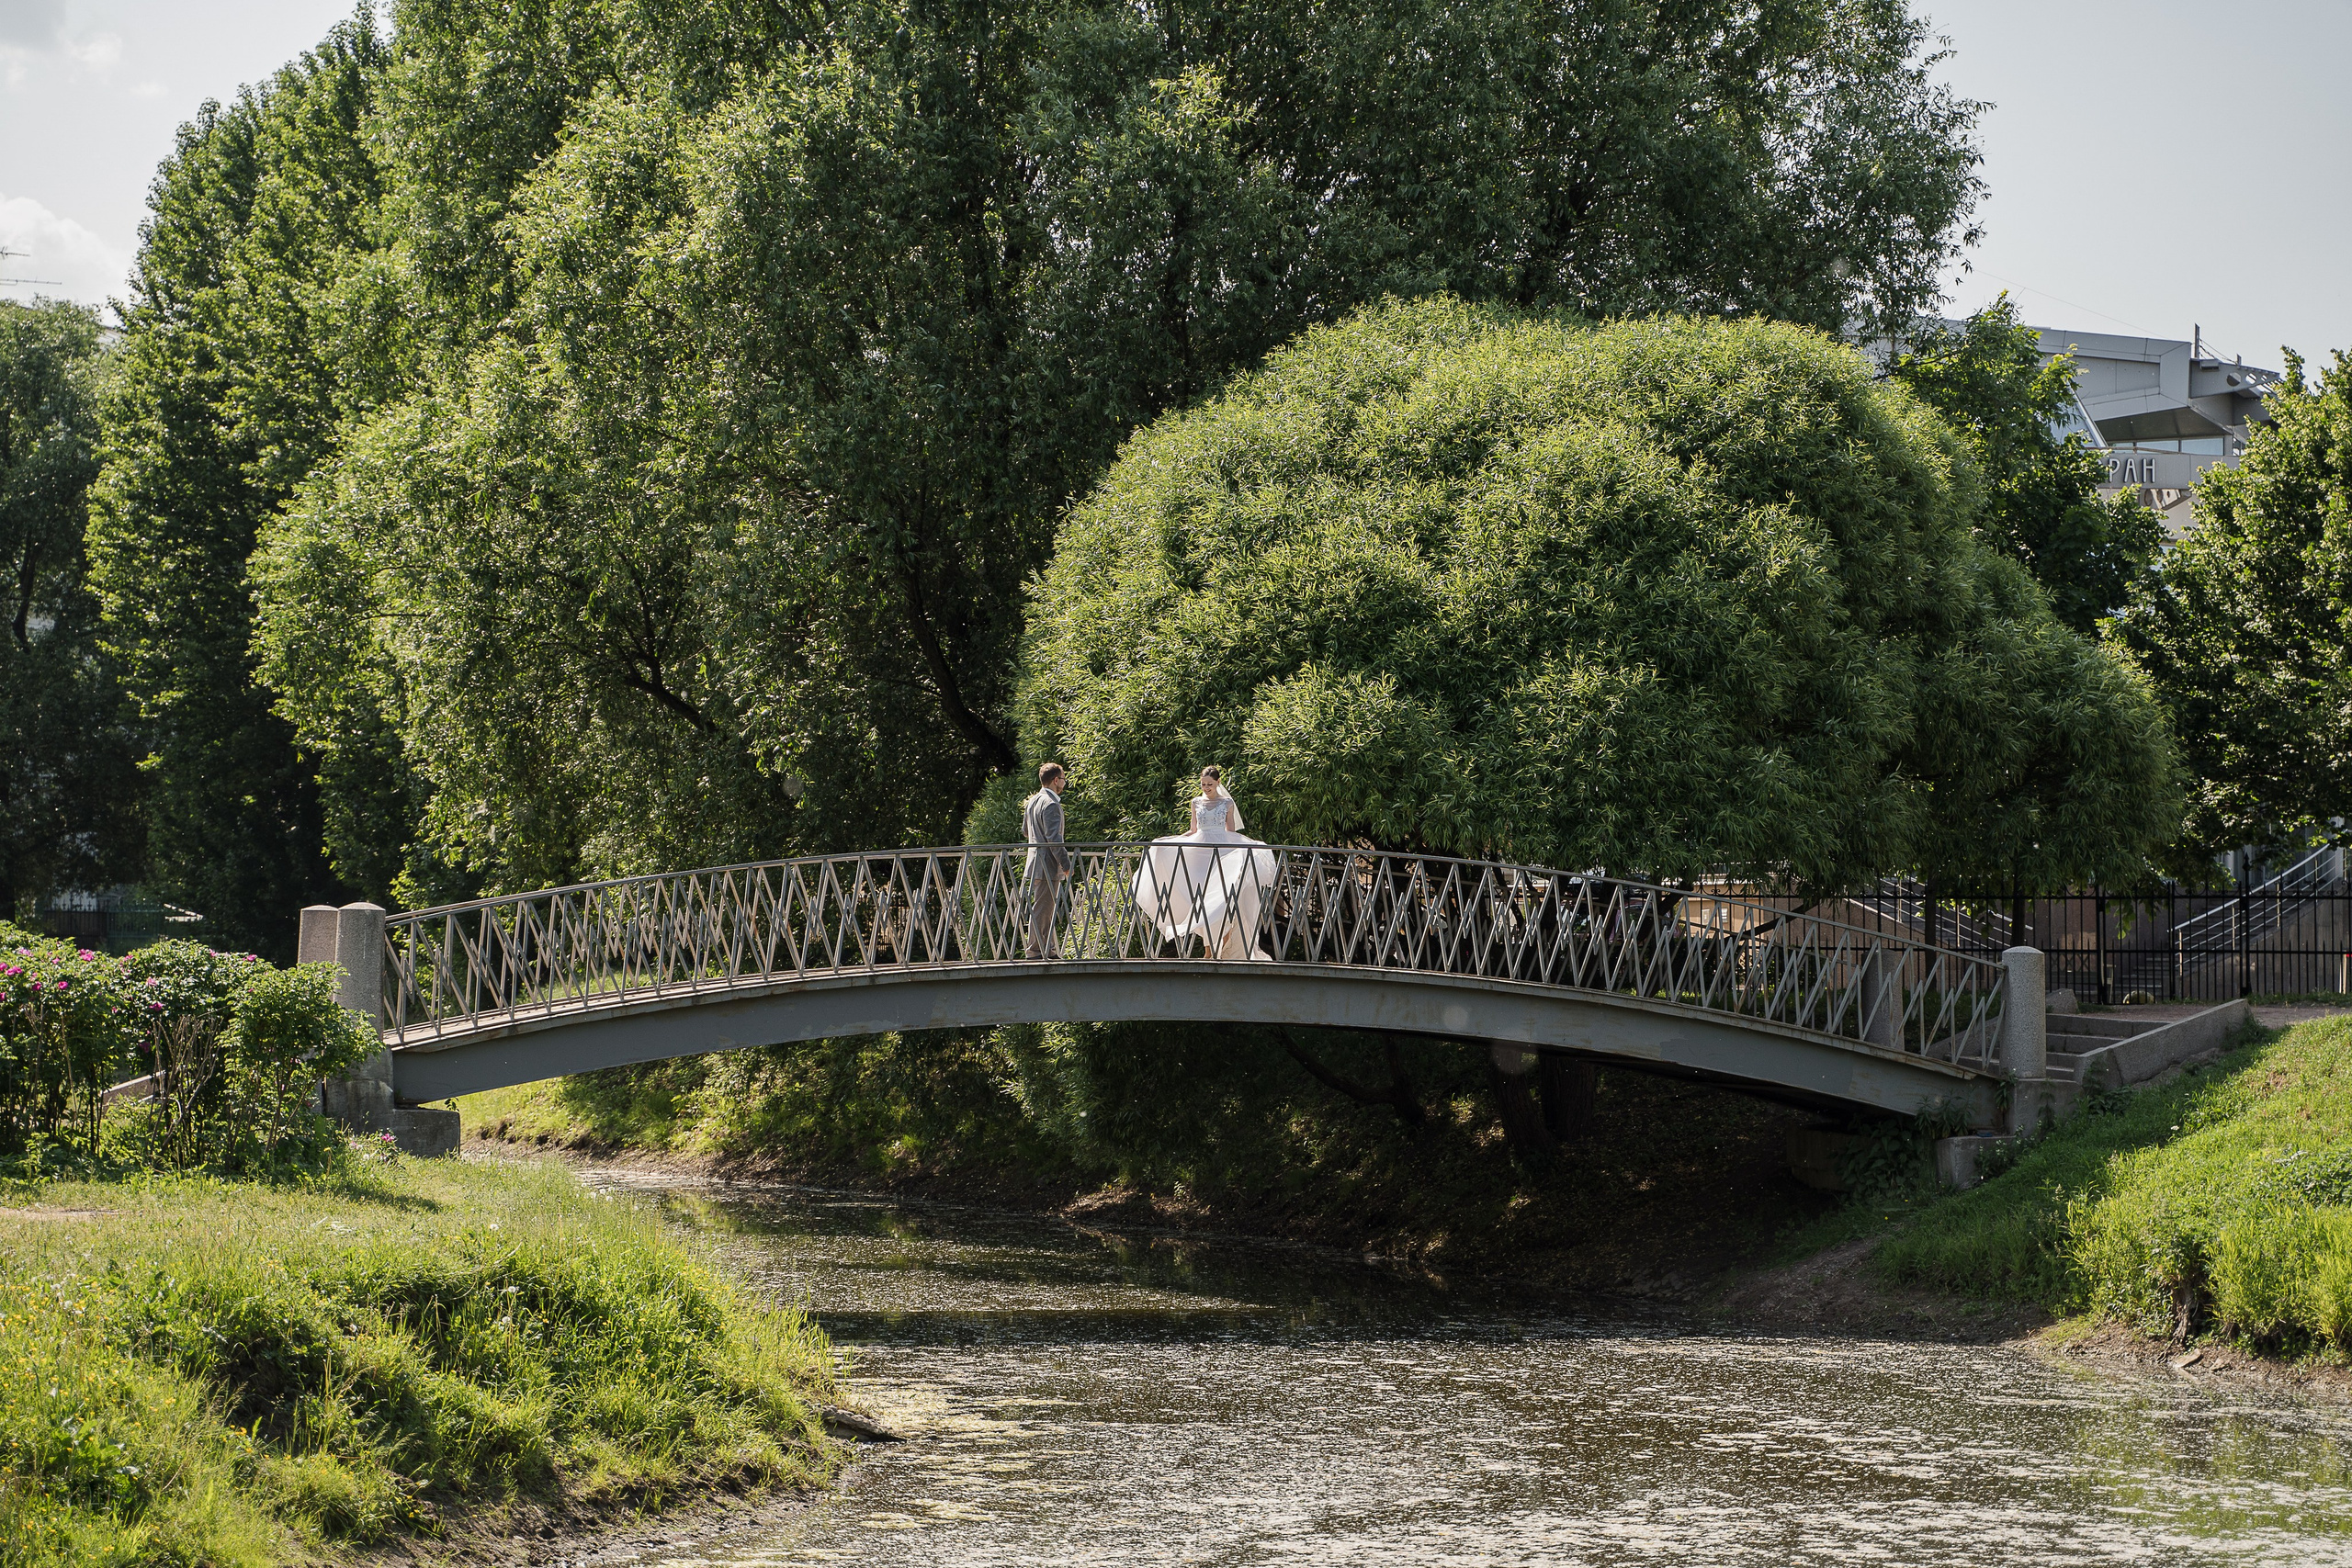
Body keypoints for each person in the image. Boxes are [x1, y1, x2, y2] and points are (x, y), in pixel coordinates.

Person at [1133, 765, 1276, 959]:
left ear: (1218, 782)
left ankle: (1222, 947)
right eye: (1203, 784)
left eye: (1210, 784)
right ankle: (1208, 950)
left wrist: (1238, 850)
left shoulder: (1227, 803)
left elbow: (1231, 831)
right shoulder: (1196, 802)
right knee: (1199, 898)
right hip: (1198, 851)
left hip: (1220, 850)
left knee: (1220, 899)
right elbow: (1193, 830)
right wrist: (1169, 841)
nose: (1206, 787)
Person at [1023, 762, 1070, 957]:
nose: (1064, 783)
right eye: (1064, 779)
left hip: (1035, 861)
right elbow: (1054, 839)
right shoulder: (1051, 804)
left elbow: (1026, 832)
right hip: (1047, 864)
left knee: (1044, 907)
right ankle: (1037, 951)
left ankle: (1046, 949)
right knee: (1044, 908)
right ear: (1056, 780)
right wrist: (1066, 864)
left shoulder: (1033, 801)